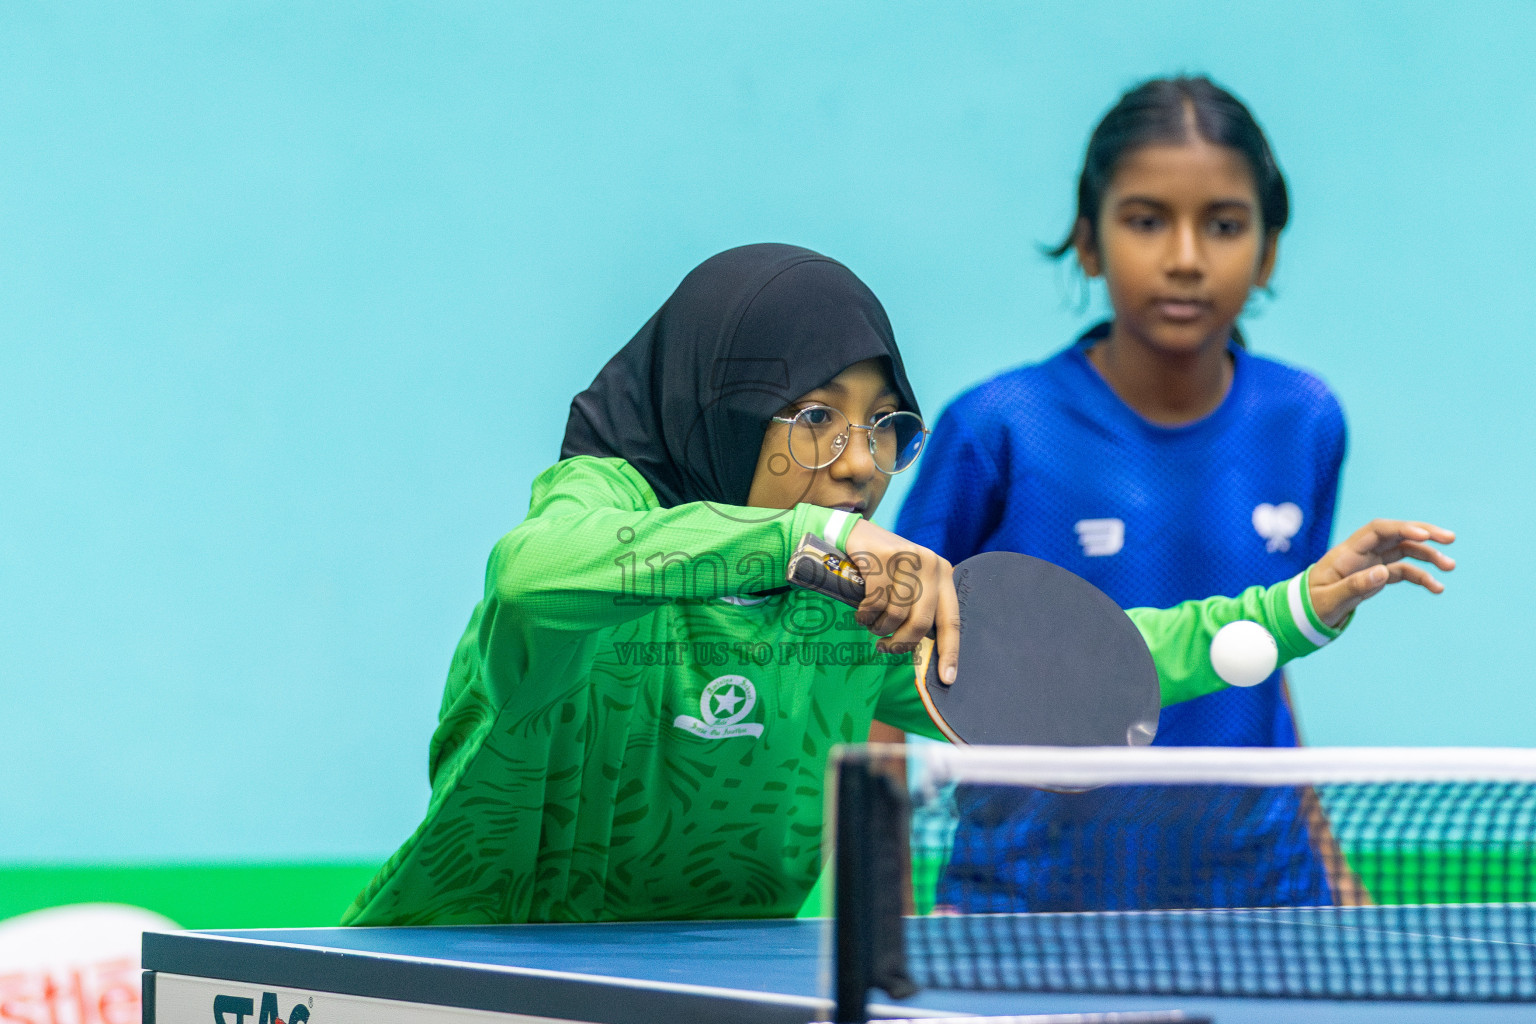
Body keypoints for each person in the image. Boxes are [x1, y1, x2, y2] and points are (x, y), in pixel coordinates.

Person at [342, 243, 1452, 926]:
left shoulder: (853, 616)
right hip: (453, 983)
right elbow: (528, 575)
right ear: (725, 407)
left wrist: (1292, 609)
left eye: (882, 426)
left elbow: (1078, 666)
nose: (860, 462)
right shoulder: (600, 514)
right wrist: (806, 543)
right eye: (815, 416)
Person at [896, 76, 1364, 910]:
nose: (1185, 257)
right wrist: (882, 914)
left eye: (1224, 224)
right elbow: (883, 665)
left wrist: (1333, 873)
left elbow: (1260, 655)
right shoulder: (999, 429)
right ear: (1088, 242)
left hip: (1263, 903)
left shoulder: (1304, 421)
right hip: (1028, 909)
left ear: (1268, 252)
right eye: (1146, 221)